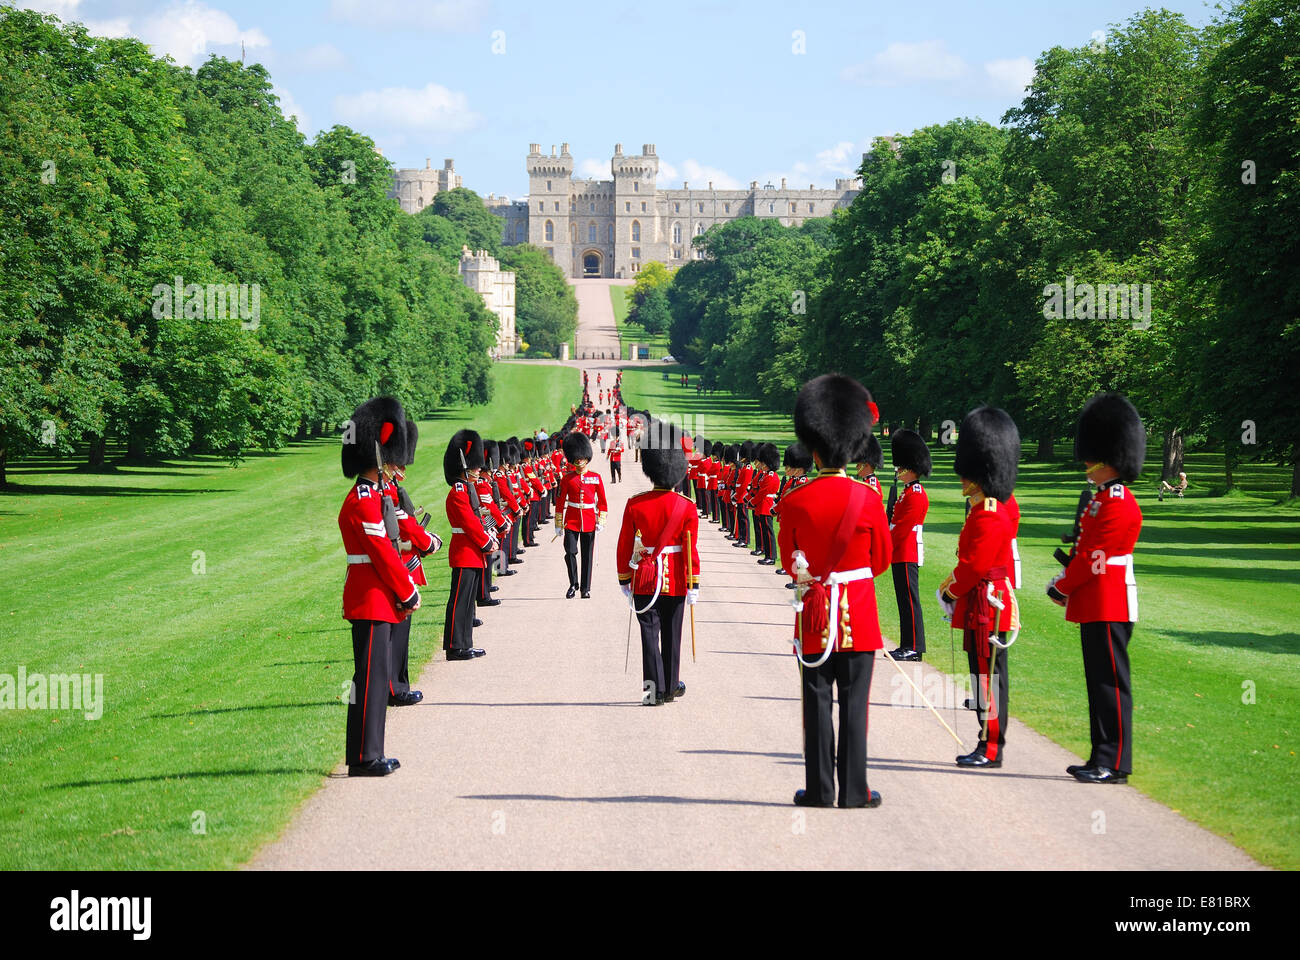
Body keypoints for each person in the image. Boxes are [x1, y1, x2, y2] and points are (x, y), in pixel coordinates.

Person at [779, 375, 891, 809]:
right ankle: (856, 791)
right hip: (858, 612)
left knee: (816, 701)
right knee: (856, 705)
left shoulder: (795, 500)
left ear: (814, 447)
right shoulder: (868, 499)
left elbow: (790, 561)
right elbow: (880, 560)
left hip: (814, 613)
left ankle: (822, 790)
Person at [1048, 393, 1145, 785]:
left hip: (1110, 601)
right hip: (1097, 600)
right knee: (1097, 682)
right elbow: (1086, 551)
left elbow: (1095, 559)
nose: (1086, 463)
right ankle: (1099, 755)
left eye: (1093, 457)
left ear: (1111, 459)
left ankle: (1115, 762)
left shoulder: (1118, 502)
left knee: (1110, 684)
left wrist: (1062, 588)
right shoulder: (1102, 499)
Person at [338, 396, 420, 776]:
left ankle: (365, 754)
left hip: (377, 597)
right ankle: (366, 757)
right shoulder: (364, 500)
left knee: (368, 682)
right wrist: (407, 591)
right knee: (370, 683)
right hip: (371, 598)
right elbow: (382, 554)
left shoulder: (372, 496)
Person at [937, 407, 1020, 769]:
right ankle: (988, 740)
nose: (962, 480)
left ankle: (990, 746)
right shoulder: (994, 504)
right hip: (986, 598)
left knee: (986, 675)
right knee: (984, 673)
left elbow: (975, 566)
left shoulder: (987, 511)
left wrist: (949, 592)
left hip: (986, 602)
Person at [617, 432, 700, 706]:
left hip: (645, 577)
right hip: (675, 578)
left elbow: (625, 545)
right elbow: (690, 550)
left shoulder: (636, 504)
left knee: (649, 637)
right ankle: (670, 686)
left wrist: (624, 578)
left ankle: (653, 692)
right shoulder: (687, 507)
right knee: (673, 636)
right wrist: (693, 583)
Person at [385, 421, 442, 705]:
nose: (403, 469)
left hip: (403, 558)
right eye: (399, 463)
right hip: (396, 563)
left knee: (401, 630)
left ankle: (398, 685)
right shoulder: (386, 490)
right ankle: (395, 688)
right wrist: (427, 541)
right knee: (397, 630)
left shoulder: (391, 487)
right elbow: (403, 523)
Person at [443, 430, 494, 661]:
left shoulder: (468, 489)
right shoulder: (458, 492)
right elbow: (469, 523)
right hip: (465, 551)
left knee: (467, 603)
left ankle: (465, 644)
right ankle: (455, 646)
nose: (477, 470)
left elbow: (479, 517)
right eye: (473, 467)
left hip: (472, 552)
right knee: (459, 602)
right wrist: (486, 542)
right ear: (463, 467)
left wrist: (489, 533)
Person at [886, 429, 931, 663]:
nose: (898, 471)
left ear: (911, 468)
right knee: (903, 600)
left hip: (906, 551)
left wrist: (884, 546)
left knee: (910, 600)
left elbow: (902, 529)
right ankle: (907, 644)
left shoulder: (916, 494)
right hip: (900, 551)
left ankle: (914, 646)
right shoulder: (906, 492)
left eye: (902, 466)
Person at [557, 431, 608, 599]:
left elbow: (602, 502)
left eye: (581, 458)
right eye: (576, 458)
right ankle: (573, 583)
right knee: (570, 552)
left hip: (588, 520)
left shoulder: (596, 478)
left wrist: (601, 520)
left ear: (586, 457)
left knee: (587, 556)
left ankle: (585, 588)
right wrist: (558, 524)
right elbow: (559, 502)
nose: (579, 461)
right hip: (571, 520)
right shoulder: (567, 478)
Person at [752, 443, 781, 565]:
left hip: (766, 505)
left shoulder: (771, 476)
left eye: (764, 463)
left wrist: (752, 502)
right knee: (765, 531)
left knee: (768, 532)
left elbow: (762, 493)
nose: (762, 465)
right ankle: (767, 554)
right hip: (763, 505)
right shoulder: (766, 475)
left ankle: (771, 556)